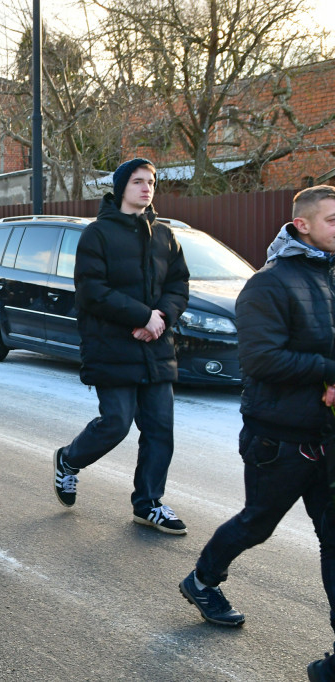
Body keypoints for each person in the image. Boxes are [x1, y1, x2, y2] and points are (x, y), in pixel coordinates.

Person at [174, 186, 335, 667]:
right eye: (332, 219)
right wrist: (329, 370)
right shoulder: (268, 285)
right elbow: (261, 361)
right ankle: (202, 580)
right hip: (279, 438)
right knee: (258, 523)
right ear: (302, 225)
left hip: (328, 434)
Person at [52, 158, 190, 533]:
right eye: (138, 181)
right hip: (111, 345)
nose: (146, 188)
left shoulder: (165, 236)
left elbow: (179, 285)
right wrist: (141, 317)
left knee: (161, 429)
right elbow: (92, 292)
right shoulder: (96, 234)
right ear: (120, 187)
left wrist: (160, 317)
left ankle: (148, 503)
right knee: (116, 423)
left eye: (151, 182)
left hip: (156, 345)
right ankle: (68, 460)